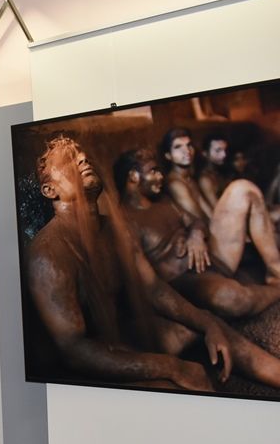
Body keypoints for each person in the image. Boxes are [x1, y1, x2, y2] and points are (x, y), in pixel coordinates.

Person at [27, 135, 280, 392]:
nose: (82, 159)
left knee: (205, 326)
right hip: (84, 364)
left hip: (123, 334)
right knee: (167, 387)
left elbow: (154, 289)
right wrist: (173, 367)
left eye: (82, 155)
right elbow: (75, 351)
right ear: (50, 190)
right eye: (70, 160)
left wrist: (208, 324)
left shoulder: (116, 229)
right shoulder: (48, 254)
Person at [114, 148, 280, 318]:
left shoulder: (162, 201)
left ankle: (276, 274)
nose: (160, 176)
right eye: (153, 171)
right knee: (235, 300)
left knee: (243, 188)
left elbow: (196, 221)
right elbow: (148, 282)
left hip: (213, 257)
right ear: (133, 176)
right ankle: (276, 291)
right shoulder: (124, 220)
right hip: (191, 281)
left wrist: (195, 235)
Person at [160, 127, 280, 285]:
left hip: (216, 237)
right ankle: (275, 272)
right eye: (178, 147)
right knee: (242, 188)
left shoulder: (189, 179)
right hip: (213, 253)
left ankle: (275, 271)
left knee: (259, 207)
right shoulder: (175, 183)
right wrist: (239, 227)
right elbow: (199, 221)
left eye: (188, 145)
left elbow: (211, 215)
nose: (186, 151)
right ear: (168, 156)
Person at [197, 132, 229, 209]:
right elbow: (217, 208)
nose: (224, 154)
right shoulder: (204, 179)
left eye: (225, 150)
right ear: (205, 153)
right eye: (218, 150)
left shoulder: (220, 171)